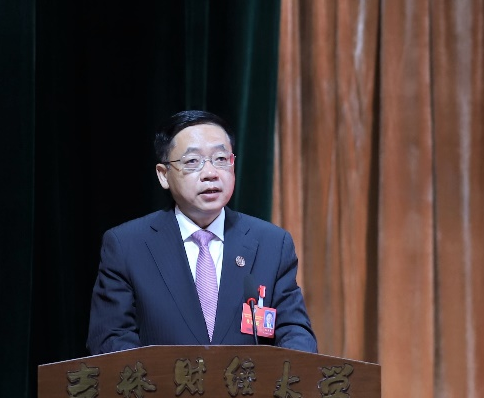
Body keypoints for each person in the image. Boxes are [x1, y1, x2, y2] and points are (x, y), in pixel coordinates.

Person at [87, 111, 318, 355]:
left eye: (221, 159)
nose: (210, 173)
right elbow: (111, 340)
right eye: (192, 161)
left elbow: (296, 333)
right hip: (164, 380)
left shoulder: (271, 243)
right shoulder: (127, 245)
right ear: (164, 175)